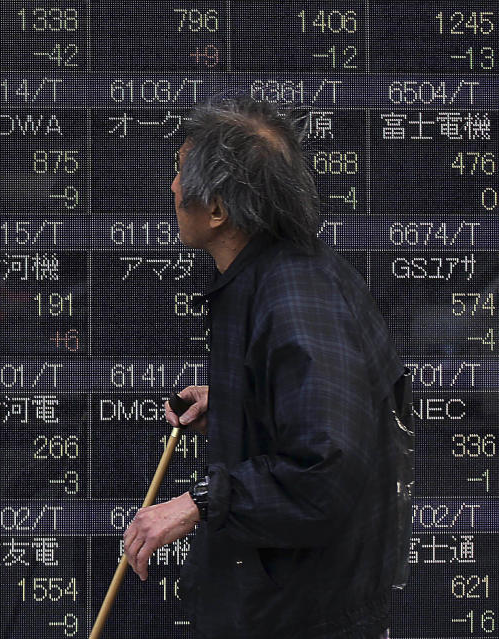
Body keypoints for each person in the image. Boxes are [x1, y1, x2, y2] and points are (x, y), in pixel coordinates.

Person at [122, 93, 412, 638]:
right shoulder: (285, 271)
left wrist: (196, 504)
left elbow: (326, 470)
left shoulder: (295, 301)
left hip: (304, 614)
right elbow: (317, 409)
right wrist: (239, 404)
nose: (173, 187)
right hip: (299, 599)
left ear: (218, 210)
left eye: (181, 172)